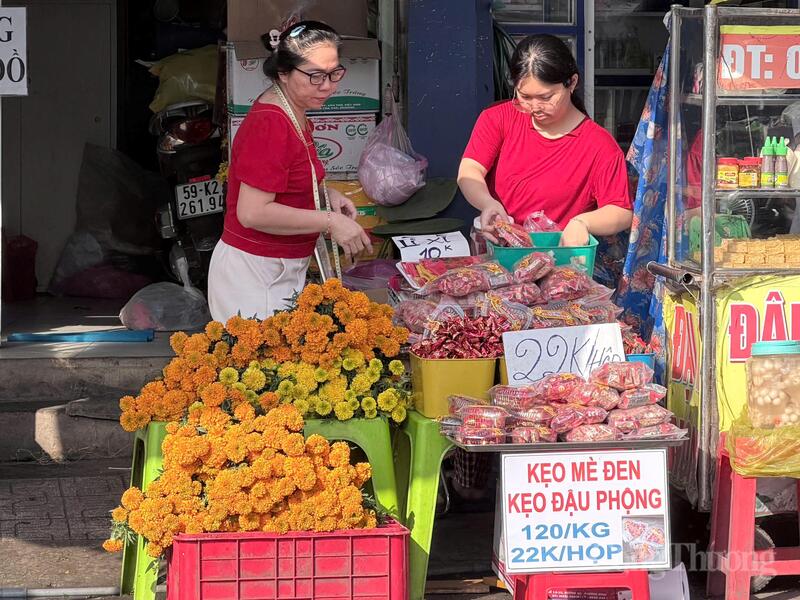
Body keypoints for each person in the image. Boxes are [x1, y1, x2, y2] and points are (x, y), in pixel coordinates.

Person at [208, 21, 372, 322]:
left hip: (276, 269)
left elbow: (288, 177)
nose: (328, 86)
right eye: (315, 76)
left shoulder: (292, 111)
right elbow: (252, 213)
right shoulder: (272, 122)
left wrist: (325, 195)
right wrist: (329, 221)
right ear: (283, 73)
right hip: (256, 275)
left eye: (334, 73)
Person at [457, 34, 633, 248]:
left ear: (572, 83)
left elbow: (620, 210)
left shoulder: (599, 145)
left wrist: (582, 222)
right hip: (498, 251)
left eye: (546, 97)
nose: (535, 107)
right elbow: (470, 170)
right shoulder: (498, 118)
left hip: (559, 260)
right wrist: (487, 203)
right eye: (525, 96)